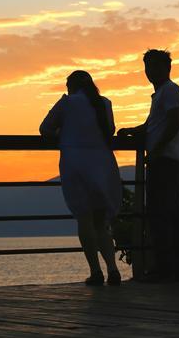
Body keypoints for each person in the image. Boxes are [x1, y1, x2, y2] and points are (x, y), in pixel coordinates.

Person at [118, 49, 179, 282]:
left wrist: (158, 148)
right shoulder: (163, 93)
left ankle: (166, 269)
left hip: (165, 160)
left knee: (160, 214)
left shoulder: (170, 91)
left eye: (154, 66)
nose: (149, 72)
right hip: (167, 159)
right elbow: (155, 124)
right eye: (147, 67)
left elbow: (173, 120)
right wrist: (133, 131)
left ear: (166, 68)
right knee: (169, 213)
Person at [39, 70, 122, 286]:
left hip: (76, 164)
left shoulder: (67, 104)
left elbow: (45, 128)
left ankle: (96, 272)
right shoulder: (104, 103)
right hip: (103, 164)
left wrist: (63, 133)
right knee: (101, 220)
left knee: (84, 218)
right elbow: (110, 130)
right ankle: (113, 269)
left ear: (70, 86)